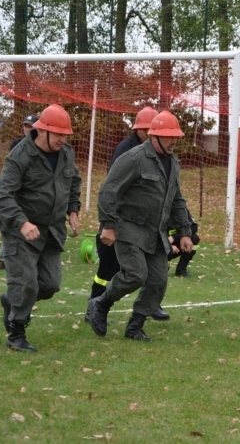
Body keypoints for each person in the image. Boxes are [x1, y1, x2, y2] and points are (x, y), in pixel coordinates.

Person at [87, 110, 193, 342]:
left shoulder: (172, 162)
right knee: (136, 275)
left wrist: (184, 232)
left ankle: (135, 326)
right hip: (129, 228)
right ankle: (101, 304)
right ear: (154, 136)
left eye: (175, 136)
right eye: (168, 136)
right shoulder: (134, 157)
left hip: (156, 233)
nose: (174, 140)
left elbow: (176, 199)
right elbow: (108, 191)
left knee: (158, 281)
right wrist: (108, 225)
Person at [0, 104, 81, 352]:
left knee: (50, 284)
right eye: (58, 135)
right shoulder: (20, 156)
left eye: (66, 135)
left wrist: (73, 210)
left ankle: (12, 301)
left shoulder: (66, 153)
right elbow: (1, 197)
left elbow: (73, 180)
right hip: (21, 233)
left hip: (51, 231)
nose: (62, 140)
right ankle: (16, 335)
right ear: (41, 131)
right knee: (26, 284)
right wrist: (22, 222)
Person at [85, 107, 171, 321]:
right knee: (108, 269)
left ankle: (151, 305)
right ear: (140, 130)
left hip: (144, 226)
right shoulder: (127, 151)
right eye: (146, 129)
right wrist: (109, 224)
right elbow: (112, 188)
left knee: (152, 272)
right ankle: (93, 306)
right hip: (120, 221)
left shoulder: (160, 154)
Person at [0, 113, 41, 270]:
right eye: (26, 125)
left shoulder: (42, 147)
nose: (27, 128)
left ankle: (29, 259)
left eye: (31, 126)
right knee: (10, 222)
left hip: (31, 195)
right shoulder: (17, 145)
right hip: (14, 193)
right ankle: (4, 259)